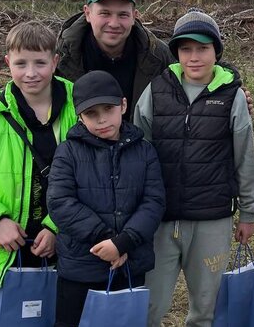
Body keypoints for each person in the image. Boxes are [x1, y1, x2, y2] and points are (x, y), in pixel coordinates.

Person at [133, 9, 254, 327]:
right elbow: (139, 152)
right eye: (186, 48)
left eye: (203, 48)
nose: (194, 57)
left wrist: (248, 212)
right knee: (150, 307)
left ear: (215, 52)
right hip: (161, 220)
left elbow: (245, 157)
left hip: (212, 220)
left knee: (206, 309)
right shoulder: (157, 90)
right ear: (176, 52)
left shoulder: (231, 95)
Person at [0, 21, 77, 324]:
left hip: (65, 246)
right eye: (21, 63)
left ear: (55, 62)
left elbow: (91, 177)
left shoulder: (80, 108)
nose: (30, 73)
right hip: (4, 249)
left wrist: (57, 227)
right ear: (8, 63)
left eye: (40, 63)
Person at [0, 0, 173, 132]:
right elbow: (29, 84)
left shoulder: (157, 55)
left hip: (140, 152)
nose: (114, 23)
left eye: (122, 15)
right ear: (87, 13)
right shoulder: (64, 53)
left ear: (135, 16)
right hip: (82, 153)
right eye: (104, 13)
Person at [47, 70, 165, 327]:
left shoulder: (145, 151)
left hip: (129, 264)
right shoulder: (68, 152)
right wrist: (104, 239)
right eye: (91, 113)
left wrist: (124, 242)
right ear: (79, 116)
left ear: (123, 105)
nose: (101, 120)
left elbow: (153, 202)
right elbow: (60, 201)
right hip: (80, 266)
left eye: (108, 109)